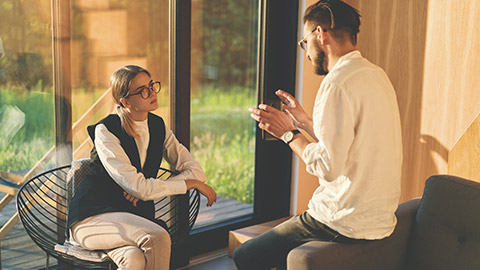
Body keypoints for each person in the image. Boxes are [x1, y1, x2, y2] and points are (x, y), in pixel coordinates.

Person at [233, 0, 403, 269]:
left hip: (344, 219)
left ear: (320, 34)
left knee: (246, 256)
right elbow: (351, 144)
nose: (307, 53)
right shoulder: (375, 75)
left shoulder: (335, 84)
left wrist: (289, 134)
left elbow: (329, 168)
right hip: (378, 218)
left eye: (304, 43)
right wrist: (304, 122)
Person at [67, 65, 217, 270]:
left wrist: (147, 189)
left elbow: (195, 170)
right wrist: (186, 184)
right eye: (142, 91)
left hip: (133, 219)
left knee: (134, 260)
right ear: (125, 101)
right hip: (92, 219)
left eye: (151, 85)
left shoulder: (157, 126)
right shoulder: (106, 130)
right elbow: (142, 188)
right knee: (157, 236)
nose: (152, 93)